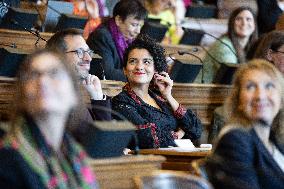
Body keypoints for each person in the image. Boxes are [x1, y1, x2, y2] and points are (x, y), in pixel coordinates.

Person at [0, 50, 98, 188]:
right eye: (33, 75)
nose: (43, 81)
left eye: (54, 73)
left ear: (73, 95)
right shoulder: (7, 161)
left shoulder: (75, 153)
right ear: (22, 96)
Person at [112, 35, 202, 149]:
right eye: (133, 61)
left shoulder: (159, 97)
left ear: (155, 69)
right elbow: (149, 139)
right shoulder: (121, 102)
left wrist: (168, 96)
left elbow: (196, 129)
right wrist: (181, 133)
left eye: (147, 62)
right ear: (125, 70)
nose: (139, 67)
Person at [205, 59, 284, 189]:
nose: (260, 96)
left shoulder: (277, 141)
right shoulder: (235, 140)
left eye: (269, 86)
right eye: (250, 87)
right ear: (238, 101)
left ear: (280, 100)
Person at [46, 28, 111, 149]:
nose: (88, 58)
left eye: (89, 52)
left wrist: (97, 97)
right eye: (80, 52)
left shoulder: (77, 92)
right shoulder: (49, 98)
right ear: (58, 57)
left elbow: (105, 138)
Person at [87, 0, 147, 81]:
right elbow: (108, 74)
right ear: (118, 20)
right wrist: (140, 75)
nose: (138, 31)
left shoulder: (129, 40)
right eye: (134, 25)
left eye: (140, 26)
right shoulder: (101, 36)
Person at [196, 6, 258, 83]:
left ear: (254, 24)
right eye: (239, 19)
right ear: (231, 23)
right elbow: (235, 76)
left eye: (248, 19)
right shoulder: (223, 46)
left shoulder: (252, 46)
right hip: (203, 91)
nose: (244, 23)